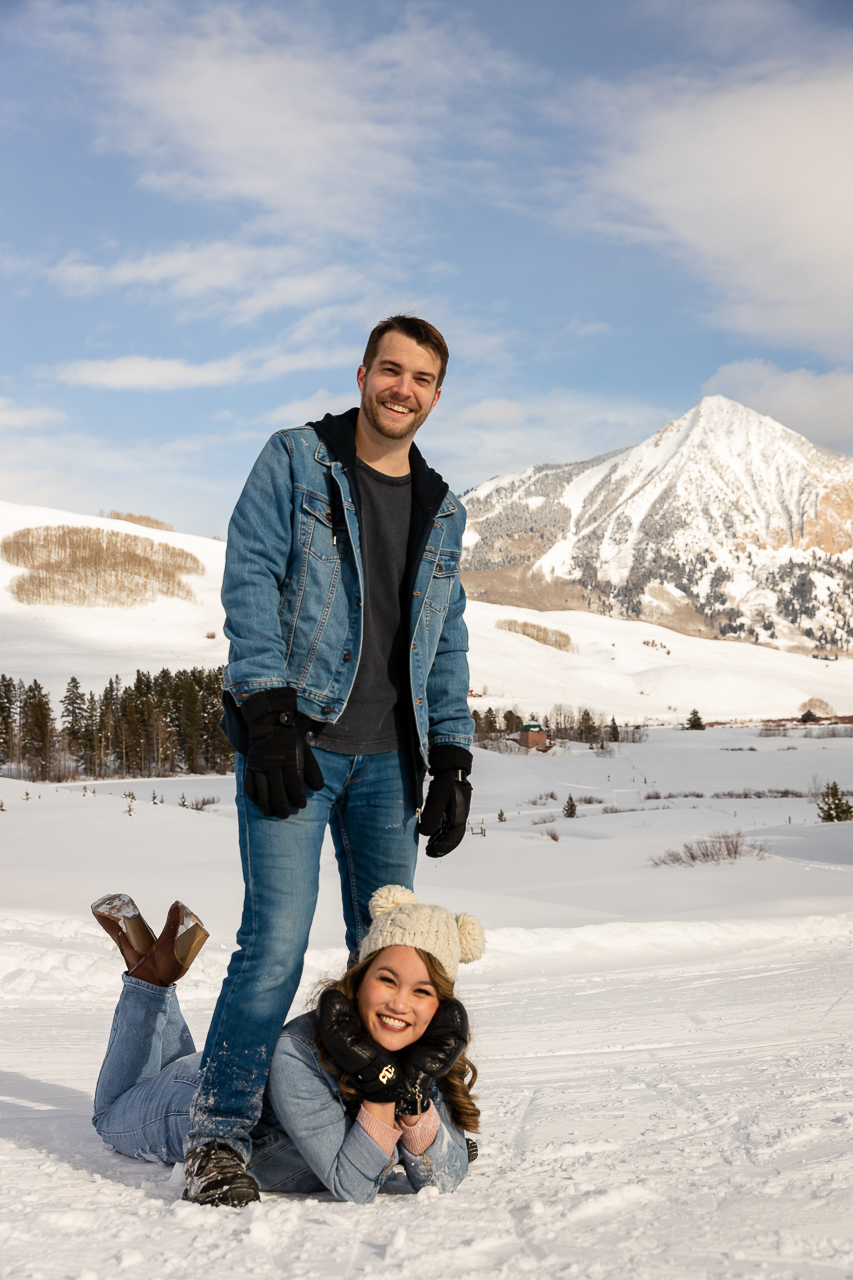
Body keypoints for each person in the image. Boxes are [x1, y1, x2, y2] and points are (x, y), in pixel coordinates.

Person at [184, 315, 475, 1203]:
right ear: (361, 375)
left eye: (421, 378)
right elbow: (251, 578)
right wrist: (266, 712)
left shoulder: (443, 506)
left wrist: (454, 755)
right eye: (391, 371)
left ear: (435, 393)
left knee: (387, 960)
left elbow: (447, 635)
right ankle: (219, 1135)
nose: (403, 390)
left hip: (392, 763)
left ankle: (369, 1117)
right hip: (298, 748)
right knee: (272, 946)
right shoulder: (296, 461)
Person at [90, 886, 484, 1204]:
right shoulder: (298, 1052)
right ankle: (151, 984)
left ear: (441, 1008)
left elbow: (443, 1179)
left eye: (421, 991)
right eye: (387, 980)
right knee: (109, 1116)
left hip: (217, 1066)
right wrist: (384, 1092)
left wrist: (413, 1099)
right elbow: (355, 1186)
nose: (400, 1004)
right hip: (189, 1100)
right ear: (360, 978)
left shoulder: (427, 1051)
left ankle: (155, 973)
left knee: (154, 1077)